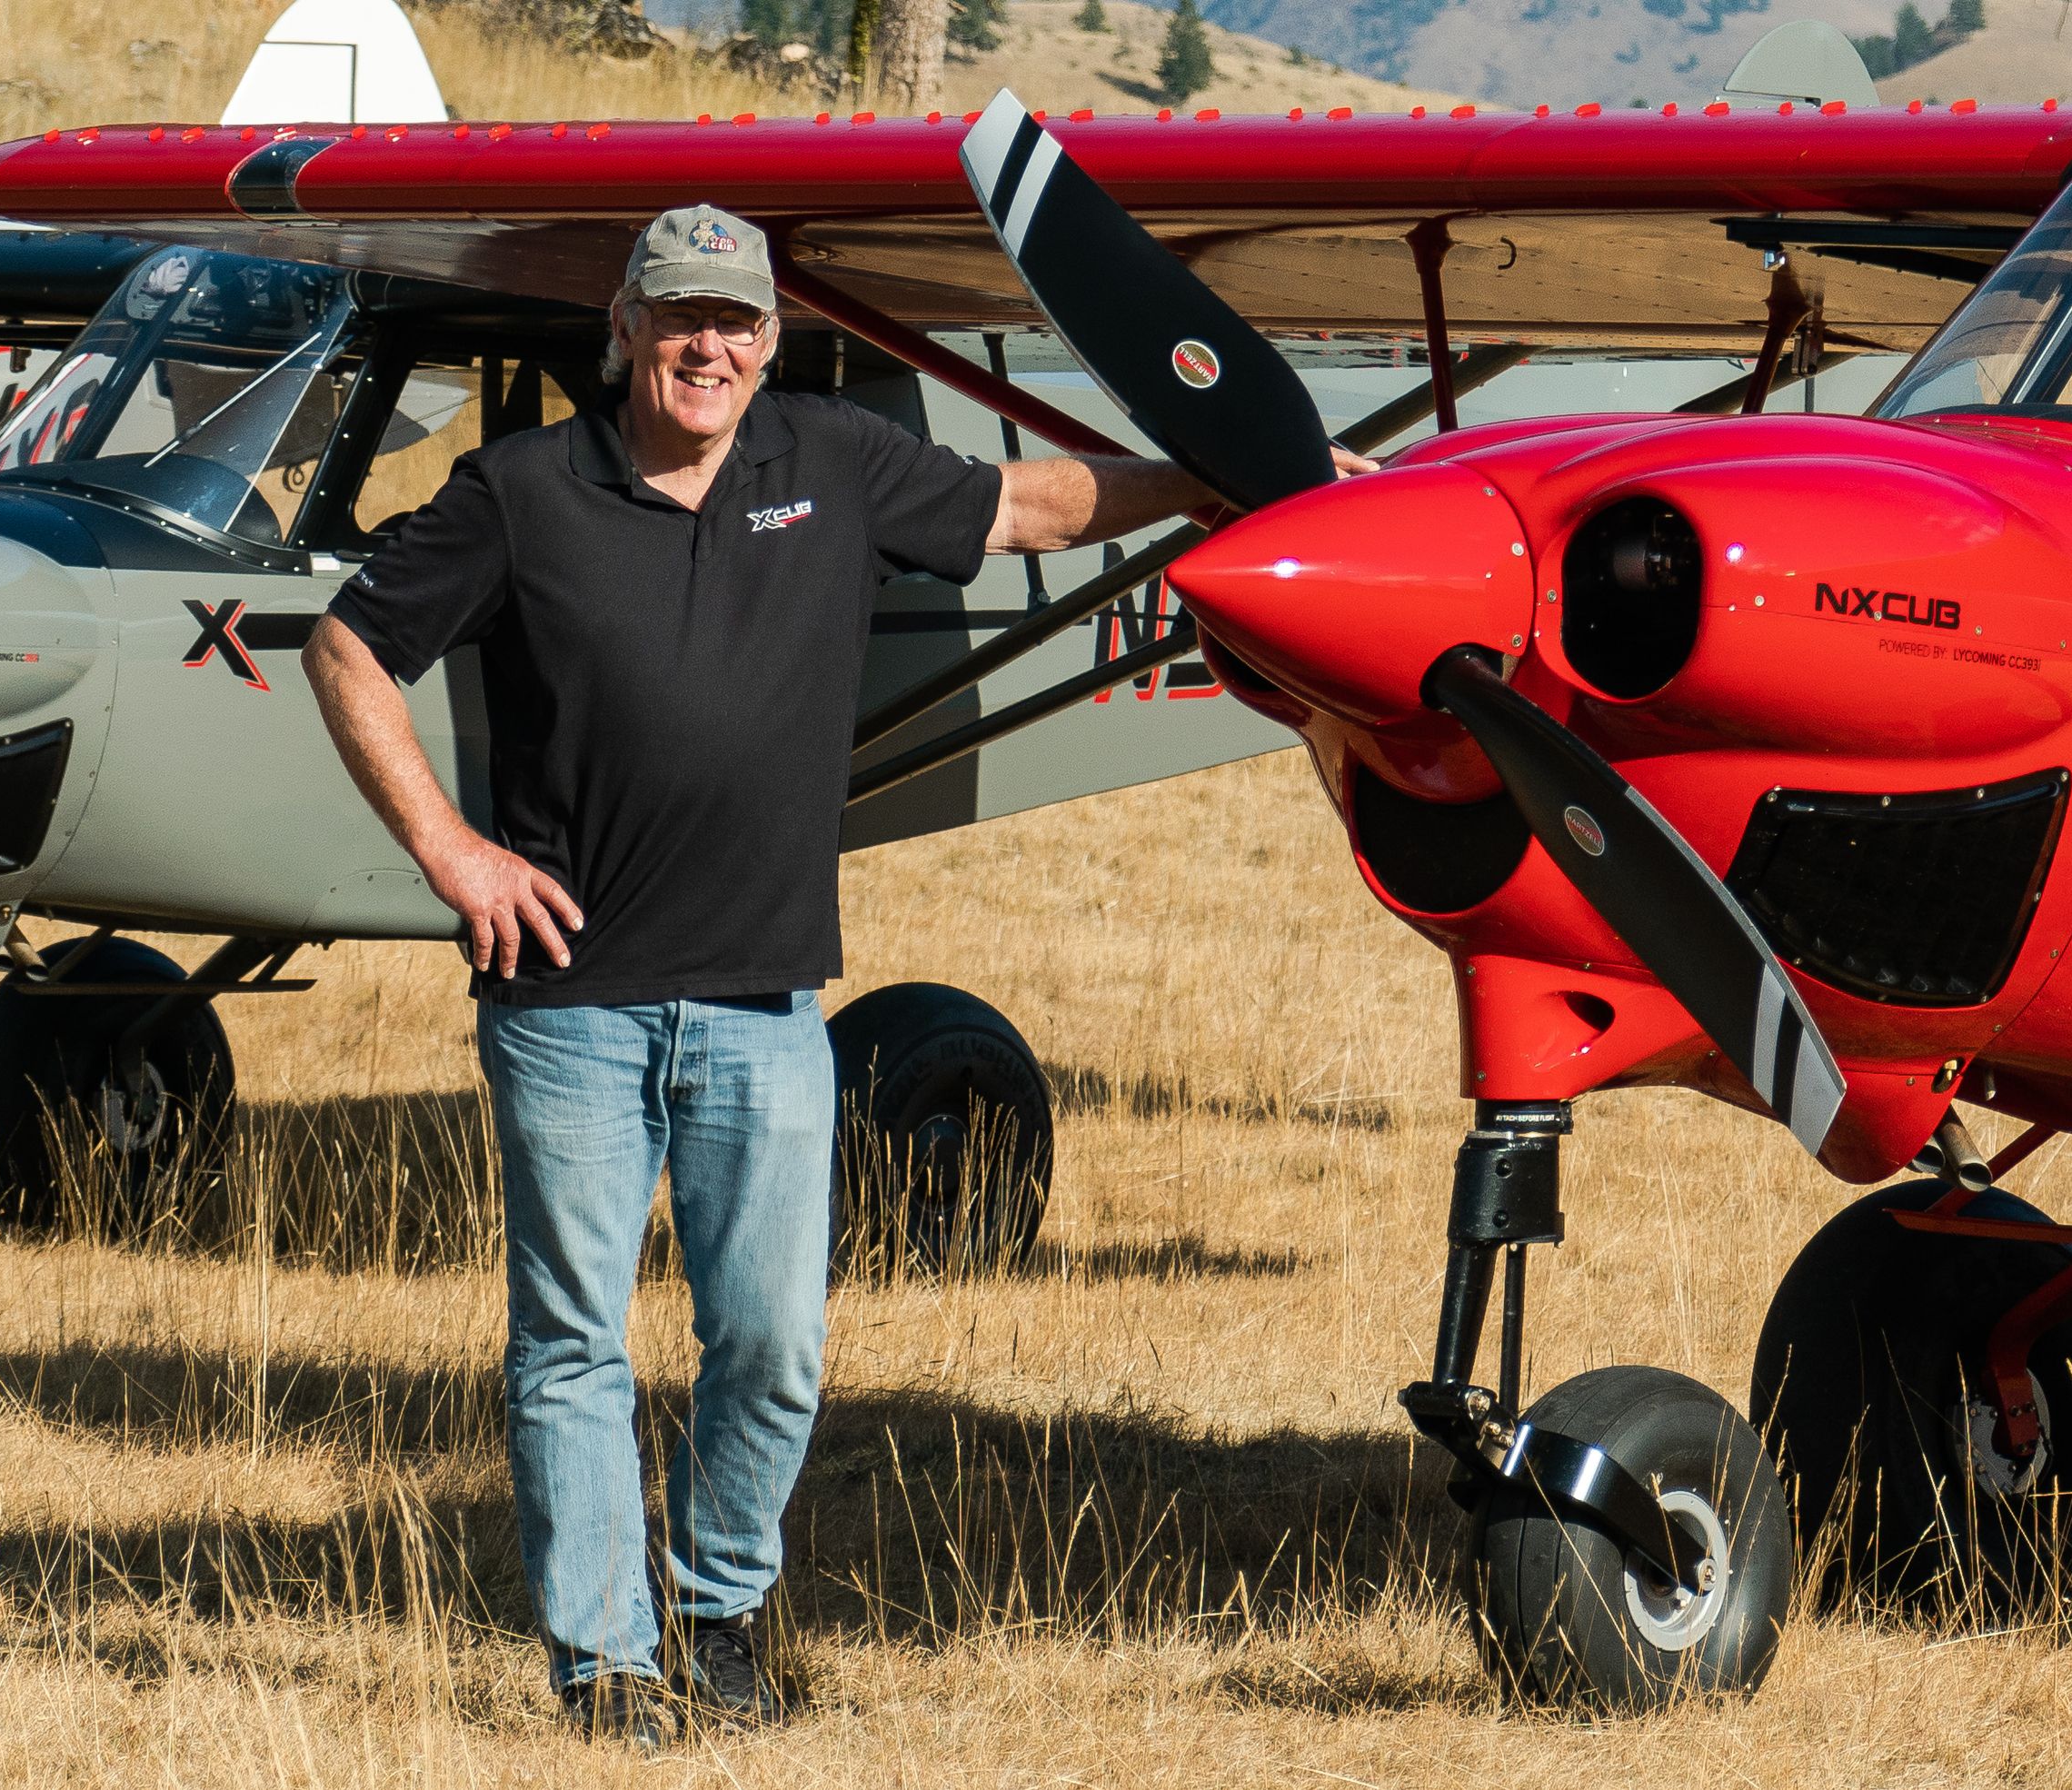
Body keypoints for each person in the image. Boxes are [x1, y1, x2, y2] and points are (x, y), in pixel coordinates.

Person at [303, 204, 1364, 1746]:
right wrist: (455, 856)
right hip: (569, 1011)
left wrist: (1225, 480)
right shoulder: (521, 492)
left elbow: (1036, 507)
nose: (708, 346)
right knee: (573, 1344)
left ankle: (719, 1607)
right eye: (679, 317)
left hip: (766, 1008)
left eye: (735, 320)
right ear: (624, 326)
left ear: (772, 337)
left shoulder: (833, 462)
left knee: (778, 1344)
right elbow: (347, 650)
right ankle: (603, 1663)